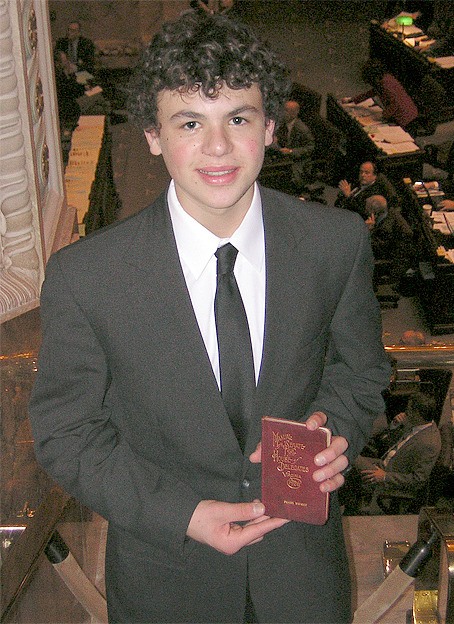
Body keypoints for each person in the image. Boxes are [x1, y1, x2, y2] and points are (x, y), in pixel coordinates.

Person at [29, 12, 391, 624]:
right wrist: (183, 514)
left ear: (271, 127)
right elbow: (65, 432)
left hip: (302, 580)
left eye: (239, 119)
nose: (218, 147)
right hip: (165, 582)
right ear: (152, 134)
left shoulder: (335, 244)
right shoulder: (88, 276)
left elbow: (361, 373)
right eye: (190, 122)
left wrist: (338, 433)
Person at [341, 392, 441, 514]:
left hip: (390, 478)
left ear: (418, 414)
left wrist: (384, 476)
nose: (406, 412)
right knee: (349, 463)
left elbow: (418, 480)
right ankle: (348, 506)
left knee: (350, 456)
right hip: (384, 464)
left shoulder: (428, 443)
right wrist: (395, 425)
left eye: (409, 409)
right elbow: (392, 446)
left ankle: (347, 507)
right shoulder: (418, 426)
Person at [349, 59, 420, 134]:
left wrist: (383, 116)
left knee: (399, 134)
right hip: (406, 113)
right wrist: (354, 100)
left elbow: (395, 104)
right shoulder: (384, 79)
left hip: (406, 117)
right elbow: (371, 92)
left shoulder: (386, 85)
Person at [269, 100, 316, 192]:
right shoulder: (282, 123)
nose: (282, 113)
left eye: (286, 111)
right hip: (283, 155)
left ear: (294, 113)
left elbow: (310, 148)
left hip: (297, 161)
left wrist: (291, 151)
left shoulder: (302, 129)